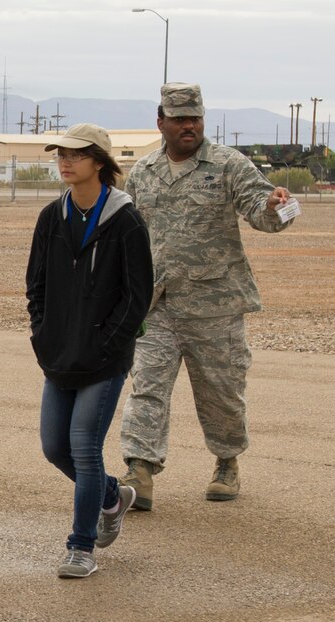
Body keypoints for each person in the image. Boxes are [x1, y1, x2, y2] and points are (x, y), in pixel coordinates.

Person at [118, 84, 293, 510]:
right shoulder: (143, 172)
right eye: (179, 119)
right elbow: (128, 233)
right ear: (161, 123)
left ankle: (227, 461)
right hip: (158, 305)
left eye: (194, 117)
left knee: (221, 392)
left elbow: (261, 212)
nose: (189, 126)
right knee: (148, 387)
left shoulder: (229, 165)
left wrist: (273, 206)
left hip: (215, 307)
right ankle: (140, 469)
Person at [26, 124, 154, 578]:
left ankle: (81, 547)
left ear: (99, 162)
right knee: (53, 447)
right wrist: (42, 334)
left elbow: (138, 296)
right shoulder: (51, 217)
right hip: (59, 354)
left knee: (84, 448)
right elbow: (35, 285)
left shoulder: (126, 220)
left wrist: (108, 345)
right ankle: (110, 497)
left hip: (103, 359)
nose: (65, 161)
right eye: (61, 154)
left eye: (76, 155)